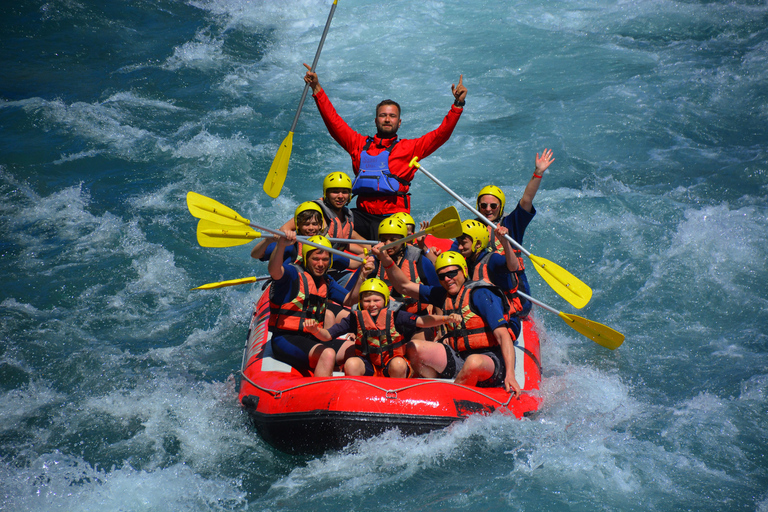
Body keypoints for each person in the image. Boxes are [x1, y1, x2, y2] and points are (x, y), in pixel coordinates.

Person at [303, 64, 468, 240]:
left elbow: (441, 134)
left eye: (392, 116)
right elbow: (334, 122)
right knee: (324, 219)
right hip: (362, 215)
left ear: (399, 122)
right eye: (383, 115)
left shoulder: (410, 148)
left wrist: (457, 105)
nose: (387, 119)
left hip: (393, 219)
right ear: (376, 120)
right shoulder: (358, 144)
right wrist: (316, 88)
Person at [375, 248, 521, 395]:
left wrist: (510, 375)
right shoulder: (442, 295)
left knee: (473, 362)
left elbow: (503, 335)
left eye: (452, 274)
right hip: (459, 357)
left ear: (464, 271)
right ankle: (431, 392)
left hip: (491, 361)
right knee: (414, 348)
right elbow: (404, 286)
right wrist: (386, 260)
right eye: (442, 276)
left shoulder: (481, 294)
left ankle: (449, 397)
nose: (447, 279)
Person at [448, 149, 555, 317]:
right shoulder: (469, 228)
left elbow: (526, 200)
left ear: (501, 207)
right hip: (481, 287)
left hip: (510, 289)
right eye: (483, 205)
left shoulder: (512, 223)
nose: (488, 209)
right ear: (478, 207)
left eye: (493, 206)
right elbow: (453, 256)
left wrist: (538, 173)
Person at [305, 278, 460, 378]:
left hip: (392, 363)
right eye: (367, 301)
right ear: (361, 302)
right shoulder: (355, 317)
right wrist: (315, 330)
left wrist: (445, 318)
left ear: (385, 300)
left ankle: (397, 398)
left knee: (398, 365)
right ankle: (357, 399)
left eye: (376, 300)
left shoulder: (396, 315)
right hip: (368, 365)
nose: (372, 304)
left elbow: (422, 321)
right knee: (351, 363)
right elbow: (328, 335)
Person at [266, 233, 372, 377]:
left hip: (313, 337)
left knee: (356, 349)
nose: (321, 264)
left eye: (325, 259)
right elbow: (274, 271)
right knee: (327, 354)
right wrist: (281, 245)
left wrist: (362, 276)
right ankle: (322, 391)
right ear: (306, 258)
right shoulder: (292, 275)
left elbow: (349, 300)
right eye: (315, 259)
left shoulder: (326, 281)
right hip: (286, 338)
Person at [454, 219, 523, 335]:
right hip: (483, 313)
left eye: (463, 243)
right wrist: (426, 249)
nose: (459, 247)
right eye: (458, 243)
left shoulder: (492, 260)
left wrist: (505, 243)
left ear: (478, 244)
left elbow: (513, 267)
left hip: (508, 321)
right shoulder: (467, 261)